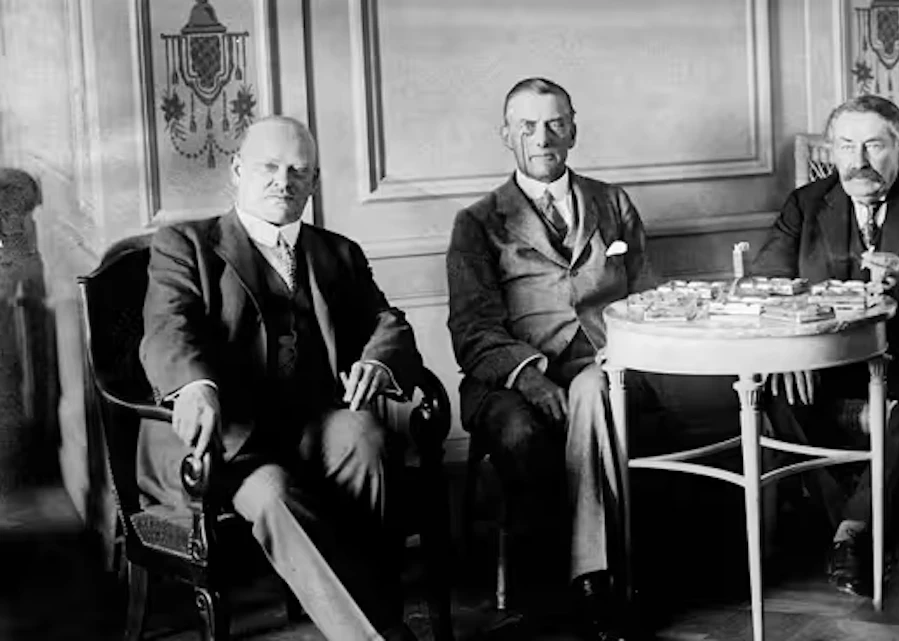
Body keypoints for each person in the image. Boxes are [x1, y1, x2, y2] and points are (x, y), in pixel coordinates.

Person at [137, 116, 421, 641]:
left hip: (310, 424)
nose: (282, 181)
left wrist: (378, 362)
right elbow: (169, 325)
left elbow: (388, 322)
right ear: (237, 171)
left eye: (298, 170)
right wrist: (195, 387)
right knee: (273, 494)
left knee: (364, 437)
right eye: (268, 167)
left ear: (313, 182)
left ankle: (377, 615)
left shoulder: (338, 252)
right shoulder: (185, 244)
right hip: (227, 440)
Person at [447, 77, 671, 641]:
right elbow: (471, 328)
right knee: (528, 429)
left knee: (597, 390)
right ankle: (601, 581)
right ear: (506, 135)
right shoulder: (476, 222)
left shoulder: (612, 202)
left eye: (554, 124)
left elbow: (647, 298)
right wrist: (527, 375)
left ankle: (587, 581)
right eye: (527, 126)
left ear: (573, 129)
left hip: (609, 360)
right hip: (509, 375)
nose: (542, 137)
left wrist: (622, 357)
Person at [752, 95, 899, 596]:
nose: (857, 161)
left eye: (874, 145)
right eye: (845, 146)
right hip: (828, 360)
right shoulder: (806, 203)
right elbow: (765, 281)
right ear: (832, 151)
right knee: (772, 389)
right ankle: (858, 527)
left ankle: (850, 535)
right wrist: (794, 343)